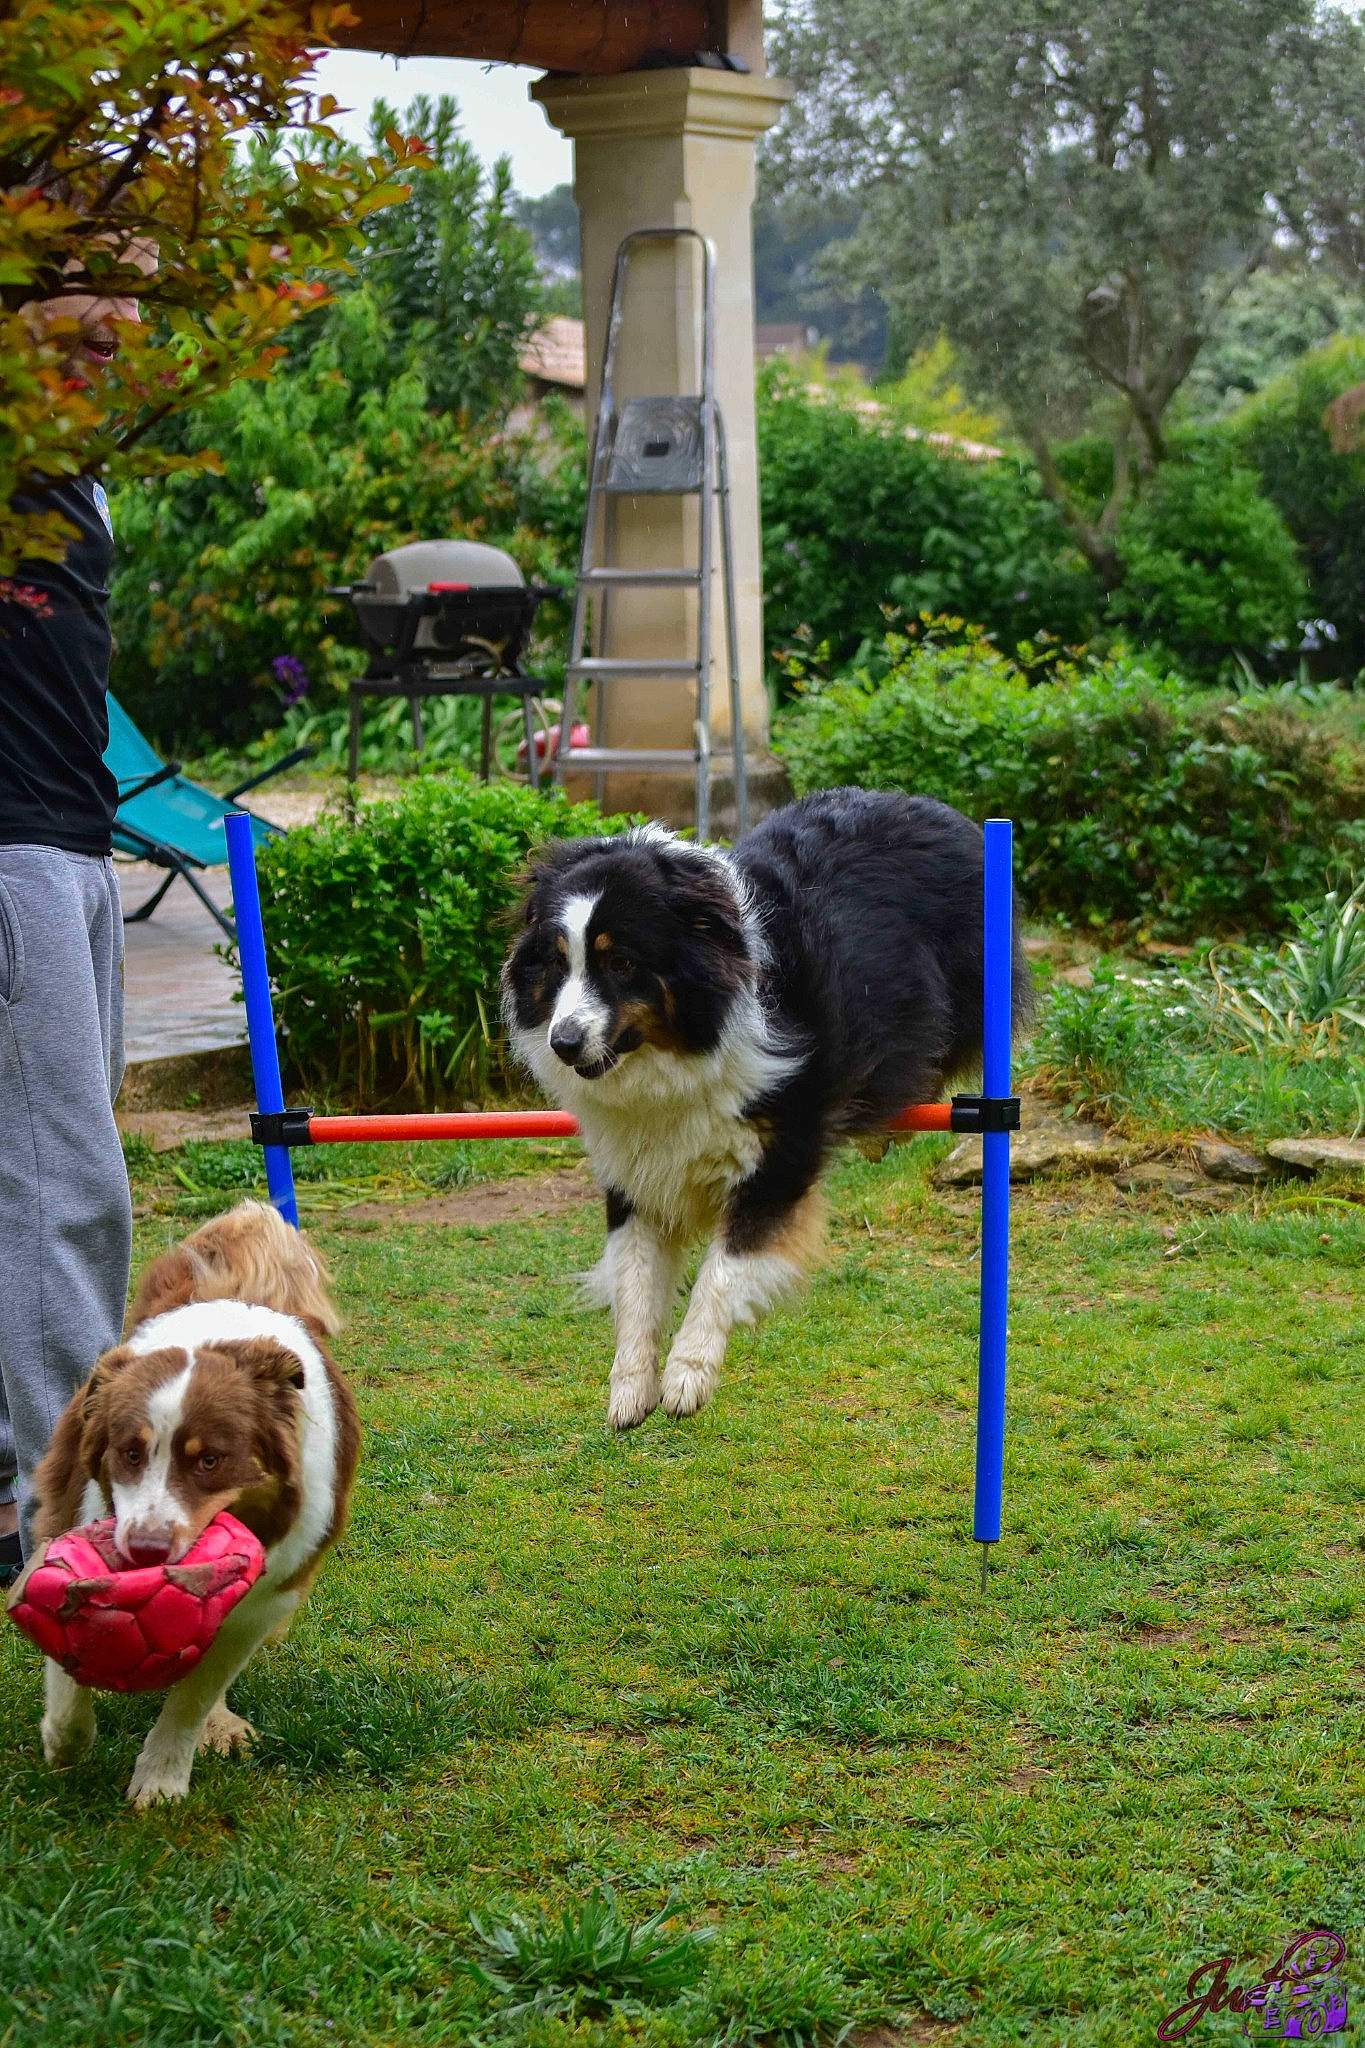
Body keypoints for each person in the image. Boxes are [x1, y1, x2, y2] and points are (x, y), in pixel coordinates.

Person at [0, 248, 151, 1585]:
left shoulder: (80, 460)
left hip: (72, 844)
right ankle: (59, 1499)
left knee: (51, 1169)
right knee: (61, 1188)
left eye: (138, 291)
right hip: (12, 856)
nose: (120, 319)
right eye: (88, 285)